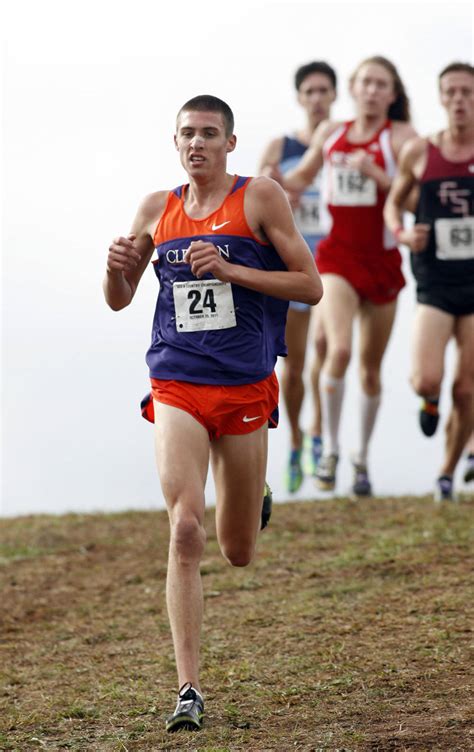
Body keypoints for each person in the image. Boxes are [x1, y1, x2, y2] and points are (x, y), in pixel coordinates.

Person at [103, 95, 323, 732]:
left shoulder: (261, 199)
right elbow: (120, 300)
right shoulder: (157, 209)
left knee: (238, 551)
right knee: (184, 529)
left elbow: (310, 286)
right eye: (186, 135)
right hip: (177, 380)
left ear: (229, 143)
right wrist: (115, 271)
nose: (196, 144)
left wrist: (230, 268)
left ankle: (253, 500)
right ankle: (189, 690)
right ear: (174, 143)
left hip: (246, 385)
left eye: (208, 134)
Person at [279, 56, 416, 496]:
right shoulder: (332, 133)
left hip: (382, 264)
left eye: (381, 84)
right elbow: (298, 177)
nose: (373, 91)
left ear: (393, 94)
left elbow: (416, 200)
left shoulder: (402, 138)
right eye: (366, 83)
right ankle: (331, 450)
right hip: (336, 259)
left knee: (370, 372)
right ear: (352, 90)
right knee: (336, 350)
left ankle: (361, 458)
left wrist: (378, 175)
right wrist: (265, 189)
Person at [385, 62, 474, 502]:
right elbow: (393, 202)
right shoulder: (420, 151)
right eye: (452, 92)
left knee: (468, 389)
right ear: (442, 98)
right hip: (435, 284)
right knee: (426, 378)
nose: (459, 100)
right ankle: (429, 401)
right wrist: (402, 233)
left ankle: (446, 472)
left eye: (467, 93)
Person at [258, 61, 337, 492]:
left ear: (335, 95)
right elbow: (267, 190)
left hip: (334, 261)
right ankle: (295, 441)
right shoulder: (280, 144)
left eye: (325, 90)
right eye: (310, 91)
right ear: (300, 97)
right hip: (292, 264)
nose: (318, 98)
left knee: (328, 354)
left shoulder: (343, 140)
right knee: (296, 364)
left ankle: (322, 437)